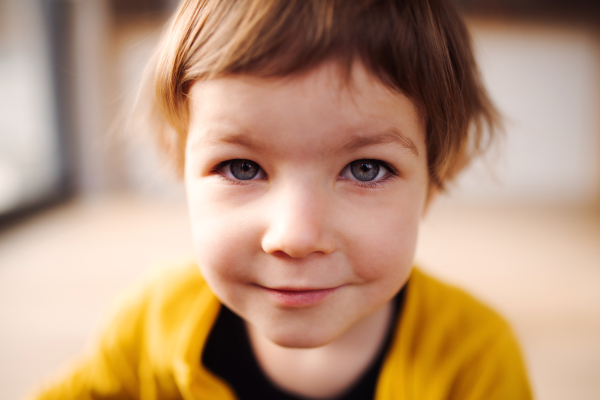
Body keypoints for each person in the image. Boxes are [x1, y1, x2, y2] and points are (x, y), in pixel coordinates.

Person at [30, 0, 532, 399]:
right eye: (242, 168)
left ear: (437, 174)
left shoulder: (475, 358)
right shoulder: (152, 324)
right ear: (178, 163)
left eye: (366, 169)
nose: (296, 235)